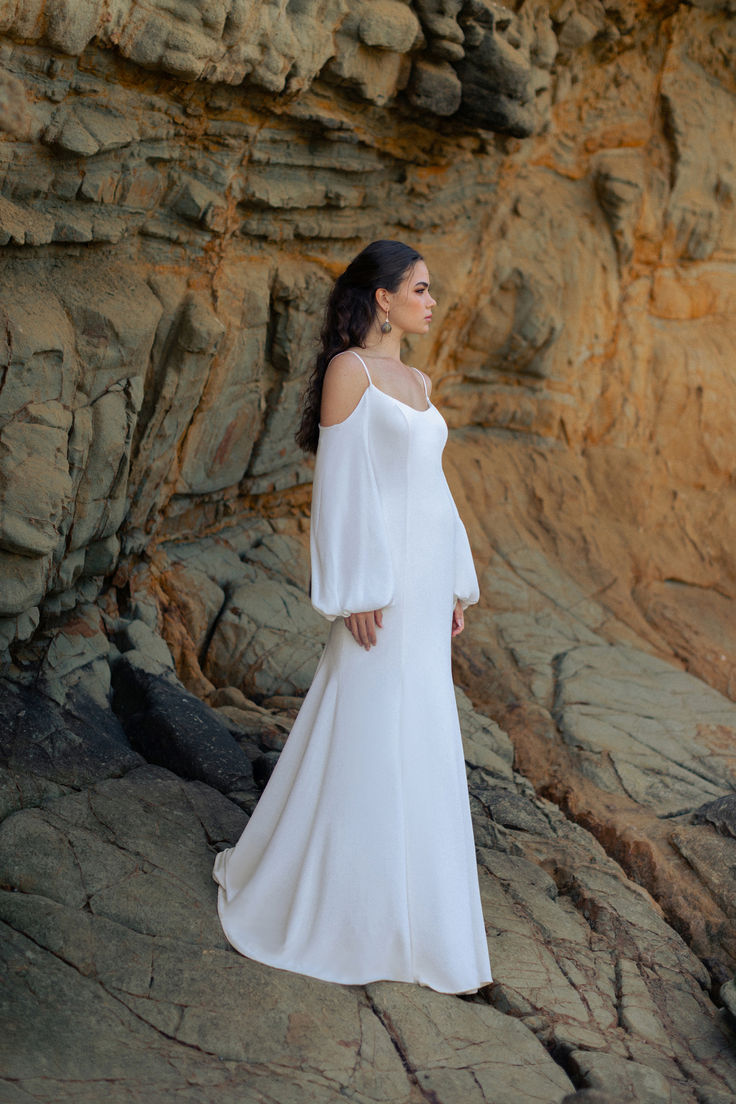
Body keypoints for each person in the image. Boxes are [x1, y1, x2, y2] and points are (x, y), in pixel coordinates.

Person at [212, 240, 492, 994]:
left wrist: (455, 586)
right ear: (383, 298)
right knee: (367, 723)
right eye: (421, 289)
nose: (432, 302)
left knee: (424, 727)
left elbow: (431, 491)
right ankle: (351, 908)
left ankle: (422, 919)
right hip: (381, 581)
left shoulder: (420, 379)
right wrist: (356, 588)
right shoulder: (351, 372)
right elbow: (340, 486)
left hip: (426, 578)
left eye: (432, 291)